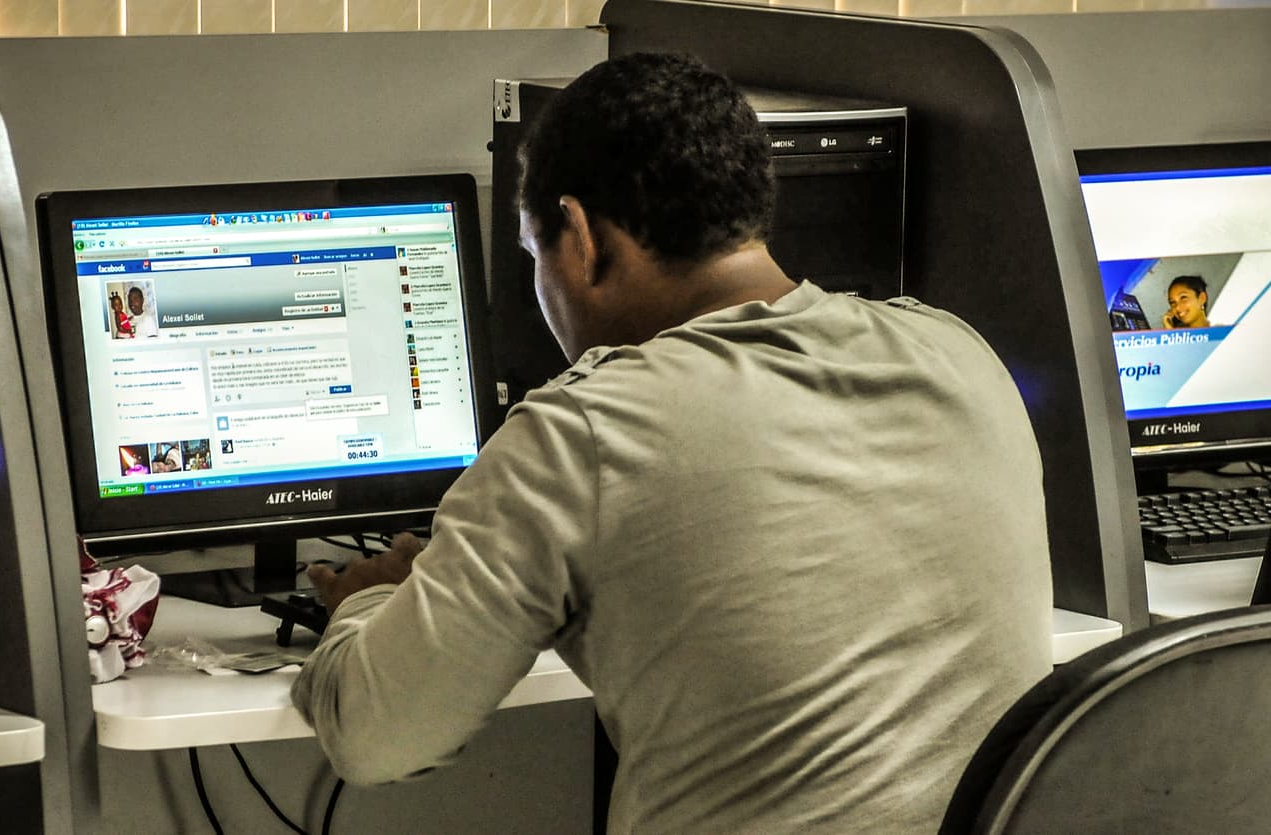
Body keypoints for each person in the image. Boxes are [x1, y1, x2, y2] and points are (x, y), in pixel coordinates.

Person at [292, 52, 1052, 833]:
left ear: (581, 239)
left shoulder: (581, 432)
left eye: (533, 254)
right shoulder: (959, 353)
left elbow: (377, 735)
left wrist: (372, 603)